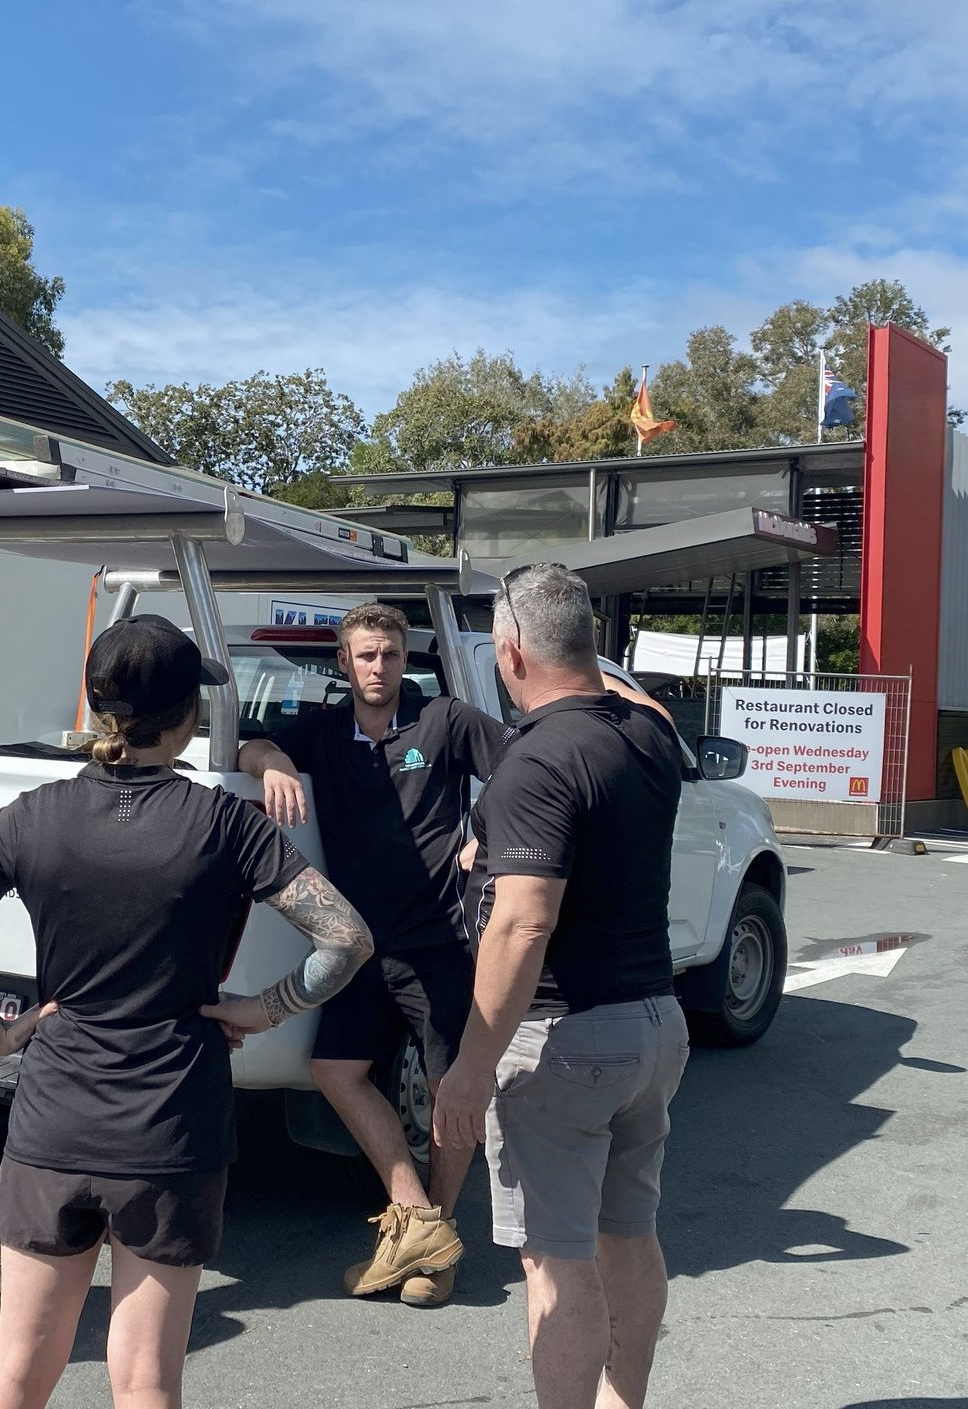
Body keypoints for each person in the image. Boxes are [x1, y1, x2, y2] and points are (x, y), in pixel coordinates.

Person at [0, 613, 372, 1409]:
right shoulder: (225, 824)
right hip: (171, 1128)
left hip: (53, 1122)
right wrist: (263, 1010)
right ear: (188, 716)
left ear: (96, 707)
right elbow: (346, 940)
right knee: (145, 1379)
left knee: (17, 1370)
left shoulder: (32, 815)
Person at [432, 564, 689, 1409]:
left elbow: (522, 925)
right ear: (589, 644)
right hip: (652, 1023)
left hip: (565, 1037)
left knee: (554, 1261)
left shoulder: (537, 760)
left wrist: (472, 1065)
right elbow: (633, 698)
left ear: (510, 653)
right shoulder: (649, 735)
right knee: (629, 1237)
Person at [237, 602, 505, 1307]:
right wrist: (273, 764)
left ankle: (436, 1246)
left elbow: (523, 770)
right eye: (365, 655)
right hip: (357, 945)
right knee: (335, 1070)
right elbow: (248, 749)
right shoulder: (327, 730)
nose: (378, 666)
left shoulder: (444, 720)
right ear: (344, 663)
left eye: (389, 654)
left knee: (450, 1091)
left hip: (438, 940)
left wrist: (485, 835)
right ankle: (418, 1217)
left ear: (404, 658)